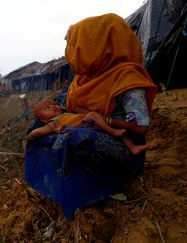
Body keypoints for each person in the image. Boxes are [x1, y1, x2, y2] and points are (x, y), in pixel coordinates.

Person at [24, 13, 157, 220]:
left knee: (78, 139)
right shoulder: (82, 80)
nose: (72, 54)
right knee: (37, 125)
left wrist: (104, 120)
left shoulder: (127, 79)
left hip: (121, 145)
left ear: (98, 47)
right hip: (84, 127)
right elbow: (70, 113)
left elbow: (141, 127)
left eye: (78, 47)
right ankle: (65, 170)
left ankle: (109, 181)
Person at [28, 99, 149, 154]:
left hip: (87, 124)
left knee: (119, 132)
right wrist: (31, 135)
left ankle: (132, 147)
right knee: (95, 117)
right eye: (47, 108)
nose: (53, 106)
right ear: (43, 119)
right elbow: (41, 131)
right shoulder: (53, 121)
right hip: (80, 128)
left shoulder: (65, 113)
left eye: (53, 104)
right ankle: (114, 132)